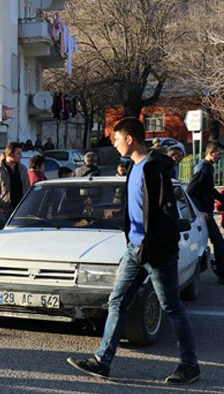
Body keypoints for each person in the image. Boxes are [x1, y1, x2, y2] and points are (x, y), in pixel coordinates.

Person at [67, 117, 200, 384]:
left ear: (129, 139)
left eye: (116, 139)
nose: (114, 145)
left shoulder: (154, 168)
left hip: (157, 251)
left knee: (171, 306)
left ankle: (190, 366)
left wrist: (159, 246)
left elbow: (165, 212)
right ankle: (102, 361)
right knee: (117, 301)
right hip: (135, 249)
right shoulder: (134, 167)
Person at [187, 141, 224, 285]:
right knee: (219, 243)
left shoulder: (208, 168)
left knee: (217, 242)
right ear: (212, 152)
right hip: (204, 213)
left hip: (206, 211)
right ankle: (221, 274)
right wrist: (200, 211)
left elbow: (209, 189)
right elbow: (191, 190)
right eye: (219, 153)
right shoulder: (202, 168)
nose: (220, 157)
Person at [0, 142, 30, 230]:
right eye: (18, 153)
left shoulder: (23, 169)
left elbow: (27, 188)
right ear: (10, 154)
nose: (21, 156)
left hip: (20, 212)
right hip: (4, 213)